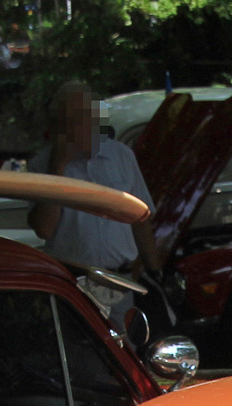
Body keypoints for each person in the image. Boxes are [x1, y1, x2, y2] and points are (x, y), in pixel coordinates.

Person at [24, 83, 161, 319]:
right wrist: (58, 167)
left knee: (124, 349)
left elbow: (140, 219)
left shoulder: (120, 156)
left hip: (120, 281)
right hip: (72, 282)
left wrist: (156, 270)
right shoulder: (41, 165)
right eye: (73, 123)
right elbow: (44, 229)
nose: (82, 129)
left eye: (88, 120)